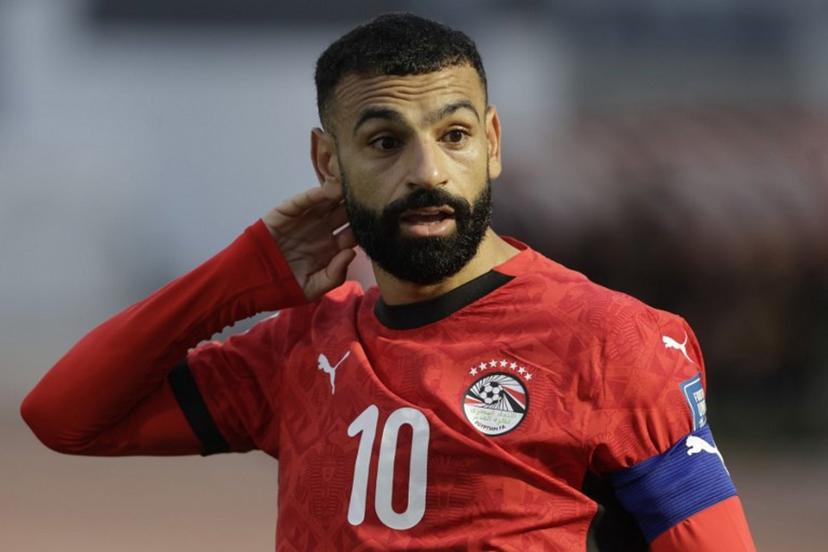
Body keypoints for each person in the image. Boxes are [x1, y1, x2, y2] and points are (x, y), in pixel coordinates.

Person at [20, 13, 756, 551]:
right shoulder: (299, 349)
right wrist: (241, 275)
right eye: (383, 142)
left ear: (492, 145)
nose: (428, 171)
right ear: (326, 163)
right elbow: (65, 415)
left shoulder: (610, 339)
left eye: (455, 135)